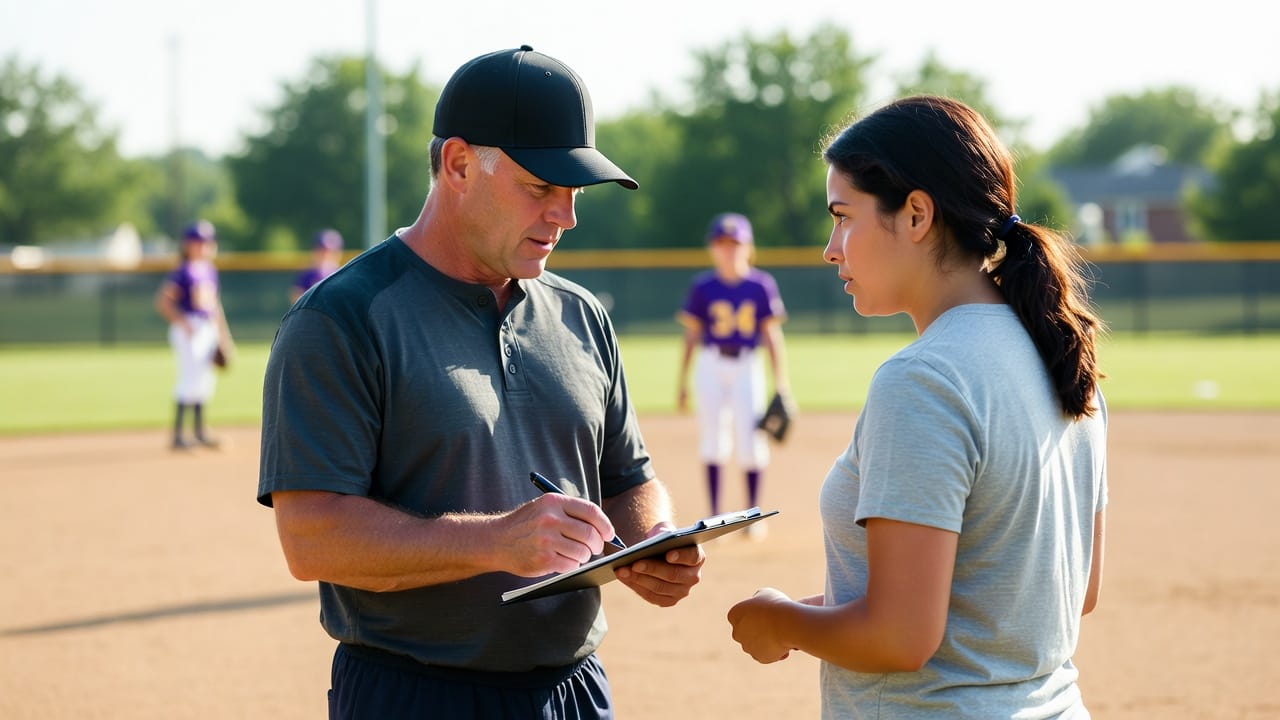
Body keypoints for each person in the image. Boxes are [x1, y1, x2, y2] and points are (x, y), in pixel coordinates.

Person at [257, 45, 704, 719]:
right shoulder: (342, 317)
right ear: (459, 164)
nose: (566, 216)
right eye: (541, 188)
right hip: (415, 693)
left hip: (574, 690)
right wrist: (494, 541)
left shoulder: (581, 316)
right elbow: (311, 536)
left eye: (575, 192)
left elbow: (627, 479)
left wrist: (651, 541)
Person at [726, 95, 1108, 718]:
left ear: (917, 215)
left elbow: (901, 637)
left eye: (844, 216)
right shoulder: (1062, 354)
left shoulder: (924, 379)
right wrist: (821, 611)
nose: (831, 247)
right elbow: (1072, 591)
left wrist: (782, 622)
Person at [676, 212, 790, 523]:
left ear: (748, 246)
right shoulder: (702, 286)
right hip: (710, 363)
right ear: (712, 248)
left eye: (735, 243)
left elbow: (772, 336)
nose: (729, 250)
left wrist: (781, 384)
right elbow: (691, 337)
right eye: (722, 243)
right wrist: (682, 382)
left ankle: (751, 515)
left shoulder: (761, 285)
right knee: (712, 438)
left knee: (752, 440)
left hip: (746, 364)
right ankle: (714, 513)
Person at [154, 219, 234, 450]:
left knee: (204, 380)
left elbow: (215, 306)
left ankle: (199, 432)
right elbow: (163, 301)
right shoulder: (183, 271)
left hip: (207, 327)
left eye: (206, 242)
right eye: (197, 242)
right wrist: (182, 322)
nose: (202, 246)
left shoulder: (209, 270)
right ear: (187, 245)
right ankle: (179, 435)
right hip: (189, 327)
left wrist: (223, 335)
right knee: (189, 378)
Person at [289, 227, 344, 304]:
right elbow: (295, 298)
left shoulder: (342, 274)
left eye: (331, 251)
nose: (326, 254)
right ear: (315, 250)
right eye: (322, 250)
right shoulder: (306, 274)